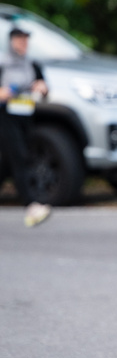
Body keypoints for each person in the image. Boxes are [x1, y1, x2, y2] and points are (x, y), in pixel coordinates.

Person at [0, 26, 51, 227]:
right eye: (20, 39)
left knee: (8, 162)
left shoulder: (32, 64)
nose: (24, 43)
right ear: (11, 41)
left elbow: (44, 88)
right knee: (19, 157)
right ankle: (31, 205)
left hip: (26, 117)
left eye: (26, 39)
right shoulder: (3, 63)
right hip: (6, 117)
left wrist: (42, 88)